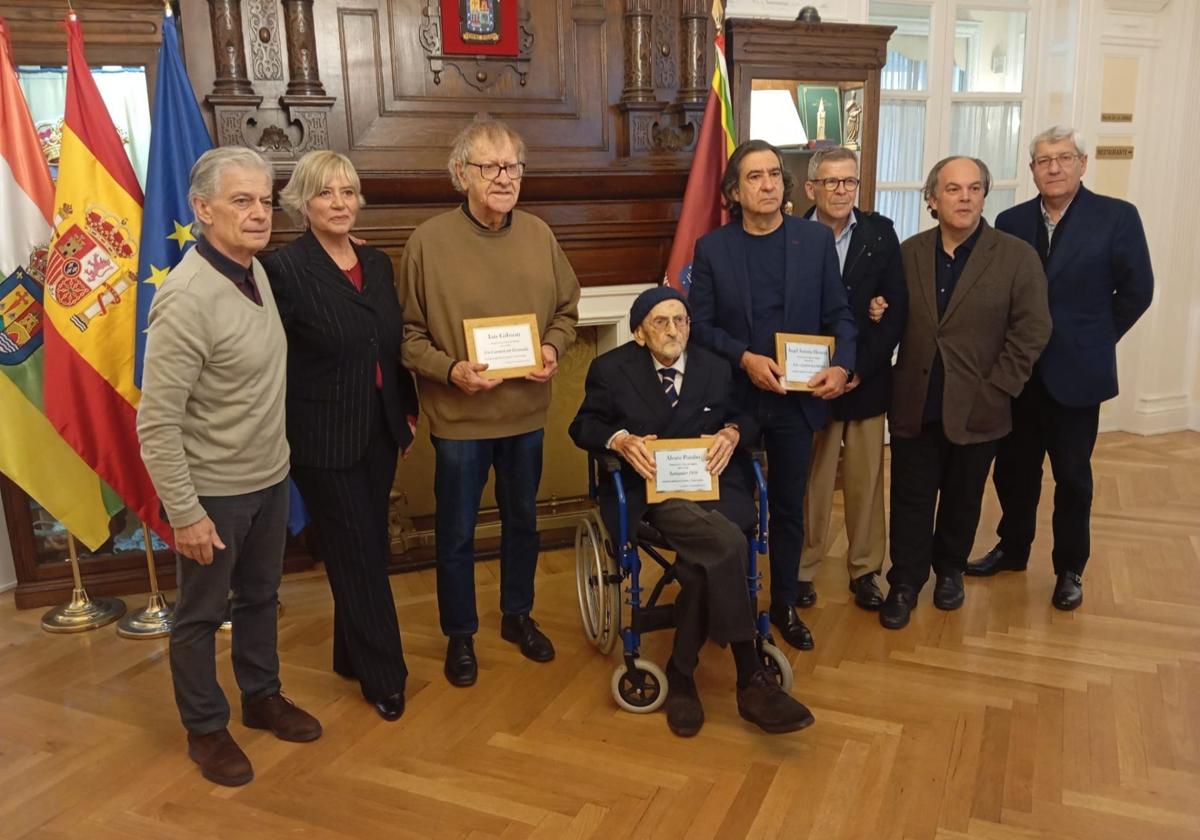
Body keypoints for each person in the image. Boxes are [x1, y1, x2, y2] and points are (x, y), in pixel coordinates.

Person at [137, 147, 322, 787]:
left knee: (262, 597)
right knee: (198, 617)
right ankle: (207, 728)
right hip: (211, 494)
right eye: (241, 201)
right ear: (202, 209)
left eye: (265, 200)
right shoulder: (187, 298)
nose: (258, 213)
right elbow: (155, 423)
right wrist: (185, 514)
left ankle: (261, 695)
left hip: (269, 478)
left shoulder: (255, 271)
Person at [569, 286, 815, 737]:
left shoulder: (715, 366)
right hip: (655, 492)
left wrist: (733, 432)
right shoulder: (611, 369)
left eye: (680, 320)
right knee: (726, 544)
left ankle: (682, 674)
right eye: (660, 322)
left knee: (706, 560)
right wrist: (620, 439)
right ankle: (749, 674)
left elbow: (750, 413)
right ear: (640, 333)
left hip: (715, 486)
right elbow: (583, 425)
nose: (673, 330)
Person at [399, 119, 580, 687]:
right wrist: (451, 370)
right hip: (459, 421)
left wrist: (551, 347)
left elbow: (567, 313)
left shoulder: (539, 236)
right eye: (490, 167)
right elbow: (407, 338)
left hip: (525, 415)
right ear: (461, 174)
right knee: (455, 534)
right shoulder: (426, 242)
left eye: (513, 167)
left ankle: (517, 616)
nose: (504, 178)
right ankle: (460, 635)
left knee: (522, 523)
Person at [967, 126, 1154, 610]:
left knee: (1072, 477)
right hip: (1017, 373)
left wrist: (1096, 338)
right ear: (1031, 170)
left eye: (1063, 158)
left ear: (1082, 164)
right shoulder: (1010, 221)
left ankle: (1069, 568)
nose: (1053, 168)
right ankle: (1012, 548)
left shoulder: (1116, 217)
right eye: (1043, 160)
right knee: (1012, 471)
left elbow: (1138, 291)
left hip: (1077, 375)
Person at [263, 150, 419, 722]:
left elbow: (389, 342)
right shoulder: (283, 270)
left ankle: (350, 656)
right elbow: (271, 360)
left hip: (380, 430)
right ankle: (386, 676)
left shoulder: (377, 263)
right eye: (326, 193)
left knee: (365, 547)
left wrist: (404, 412)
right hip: (323, 439)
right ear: (302, 202)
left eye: (348, 192)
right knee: (358, 552)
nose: (340, 203)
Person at [689, 138, 857, 651]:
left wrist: (843, 364)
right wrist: (744, 357)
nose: (767, 185)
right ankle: (731, 605)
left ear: (786, 184)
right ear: (734, 191)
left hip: (796, 401)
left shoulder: (814, 241)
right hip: (733, 399)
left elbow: (839, 317)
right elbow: (702, 327)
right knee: (730, 510)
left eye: (774, 175)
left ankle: (783, 601)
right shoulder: (714, 247)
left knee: (788, 507)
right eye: (754, 177)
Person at [881, 156, 1052, 630]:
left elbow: (1033, 329)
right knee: (911, 498)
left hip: (980, 404)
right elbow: (891, 317)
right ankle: (905, 581)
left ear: (984, 196)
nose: (965, 198)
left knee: (963, 496)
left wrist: (1000, 386)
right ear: (933, 200)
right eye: (953, 190)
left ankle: (950, 570)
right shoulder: (909, 252)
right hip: (916, 399)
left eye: (974, 189)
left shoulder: (1016, 256)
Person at [797, 148, 907, 611]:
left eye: (849, 182)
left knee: (865, 481)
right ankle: (801, 570)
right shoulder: (792, 236)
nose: (841, 191)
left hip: (865, 380)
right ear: (810, 189)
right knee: (811, 483)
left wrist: (858, 368)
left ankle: (865, 570)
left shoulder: (880, 233)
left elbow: (896, 308)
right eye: (831, 182)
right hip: (810, 383)